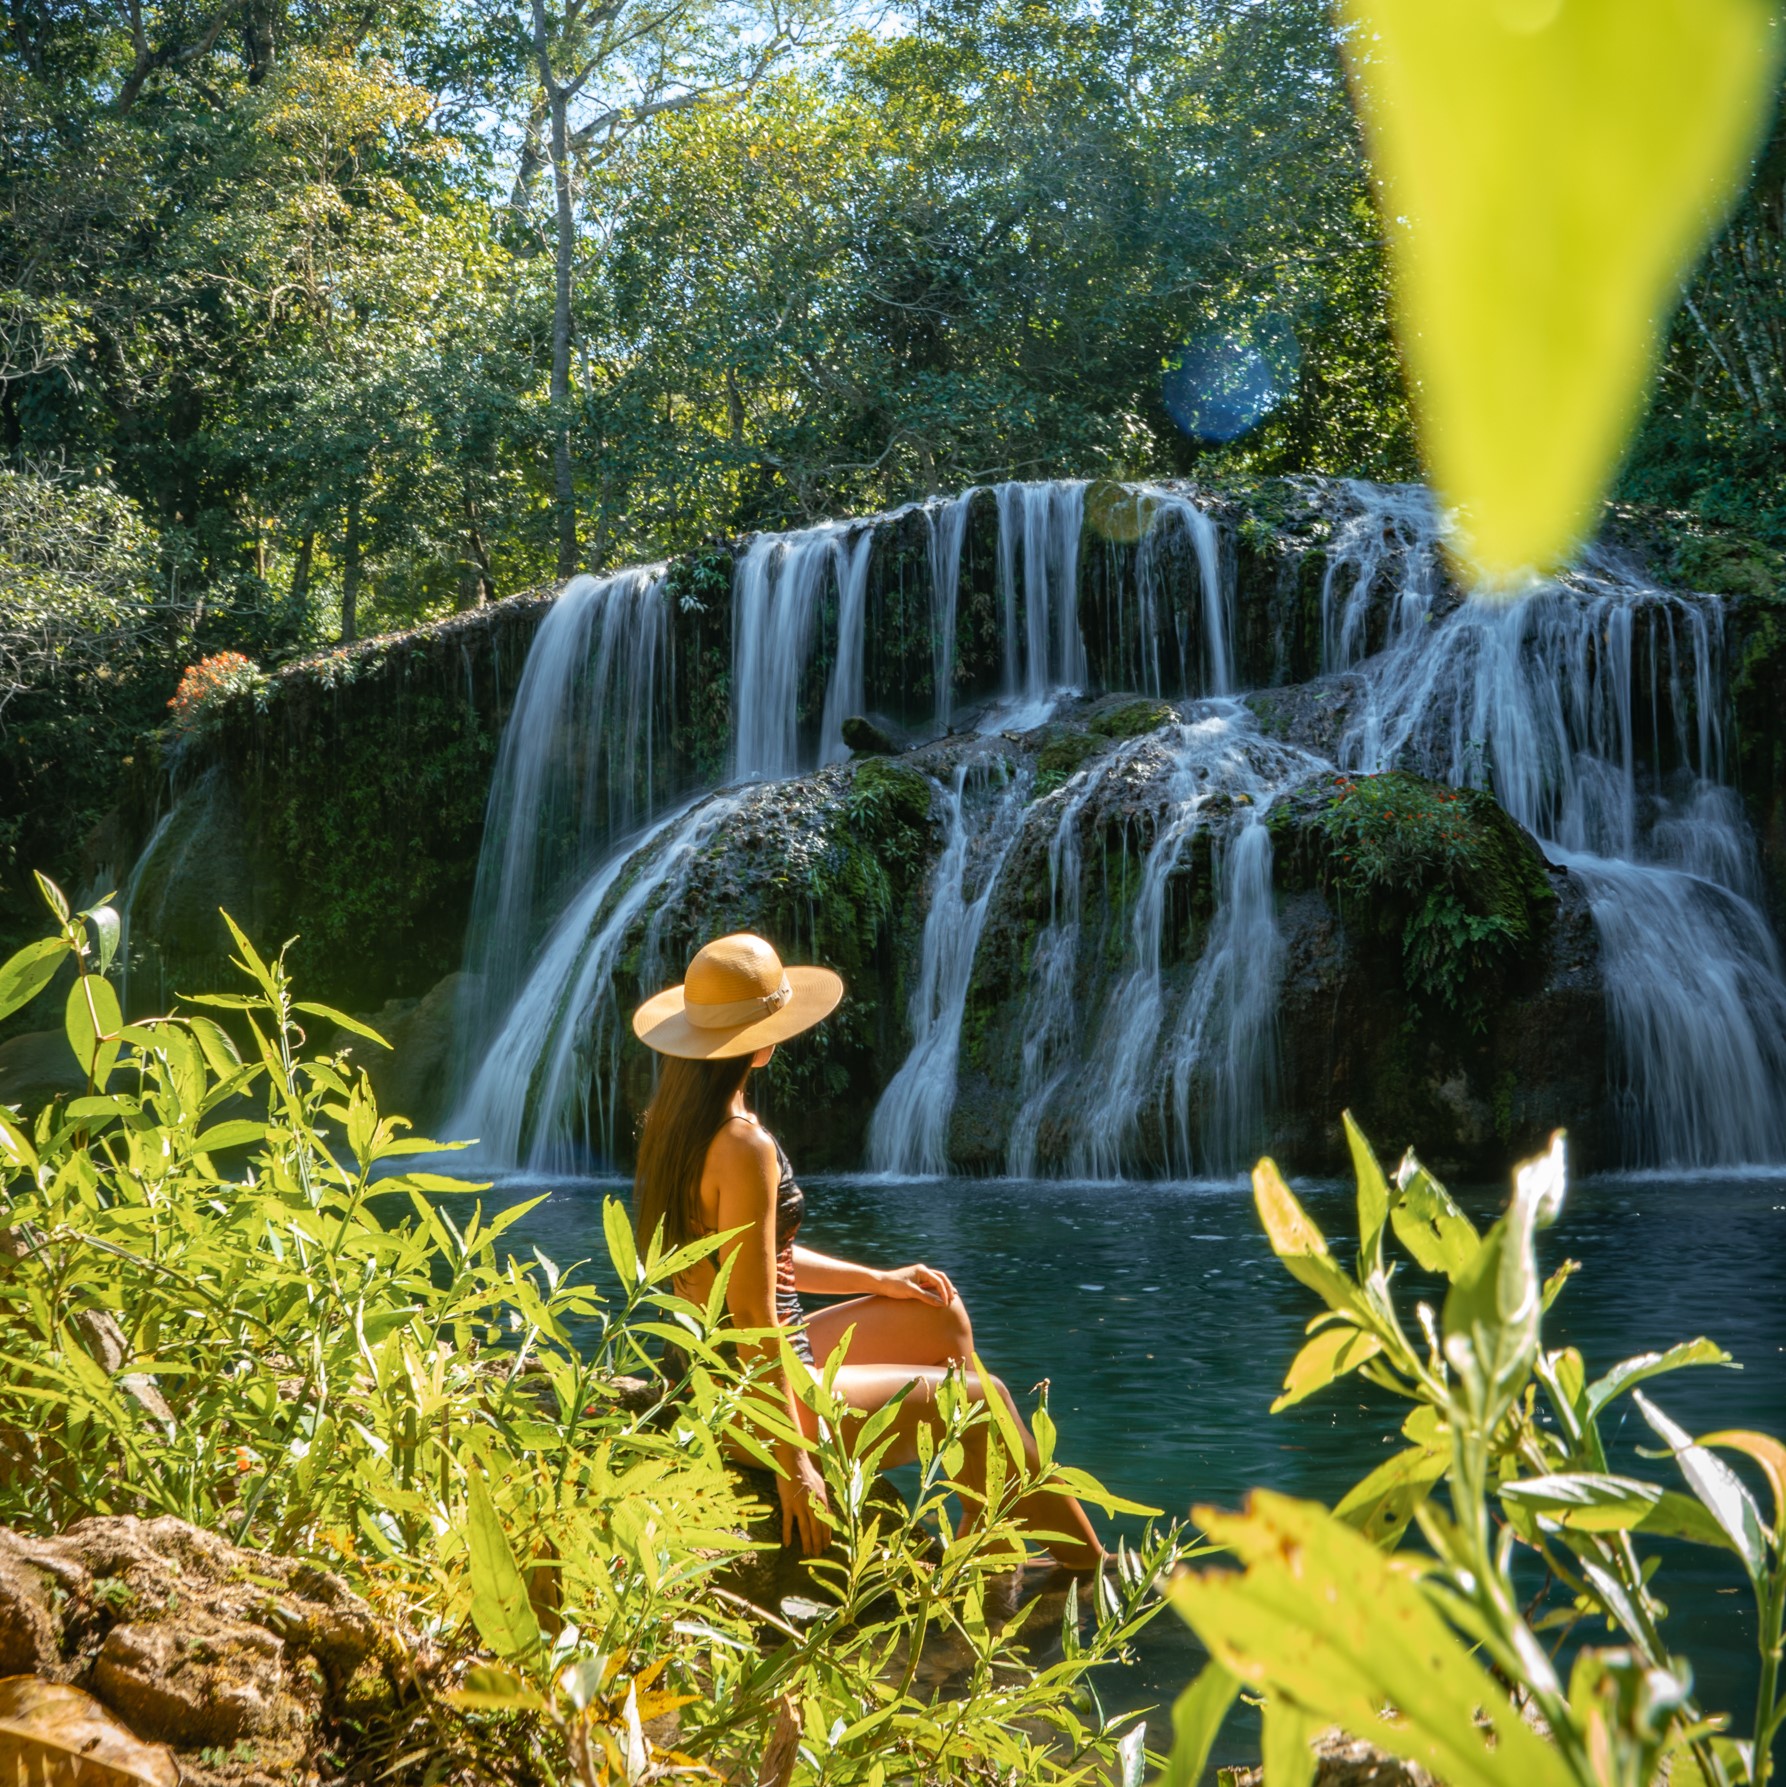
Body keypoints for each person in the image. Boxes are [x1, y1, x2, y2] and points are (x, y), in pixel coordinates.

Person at [630, 932, 1103, 1569]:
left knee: (938, 1312)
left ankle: (977, 1518)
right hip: (757, 1401)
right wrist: (795, 1460)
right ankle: (1090, 1568)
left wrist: (879, 1279)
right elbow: (751, 1316)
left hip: (712, 1377)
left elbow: (754, 1264)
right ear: (763, 1040)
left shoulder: (674, 1125)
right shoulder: (745, 1147)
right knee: (982, 1401)